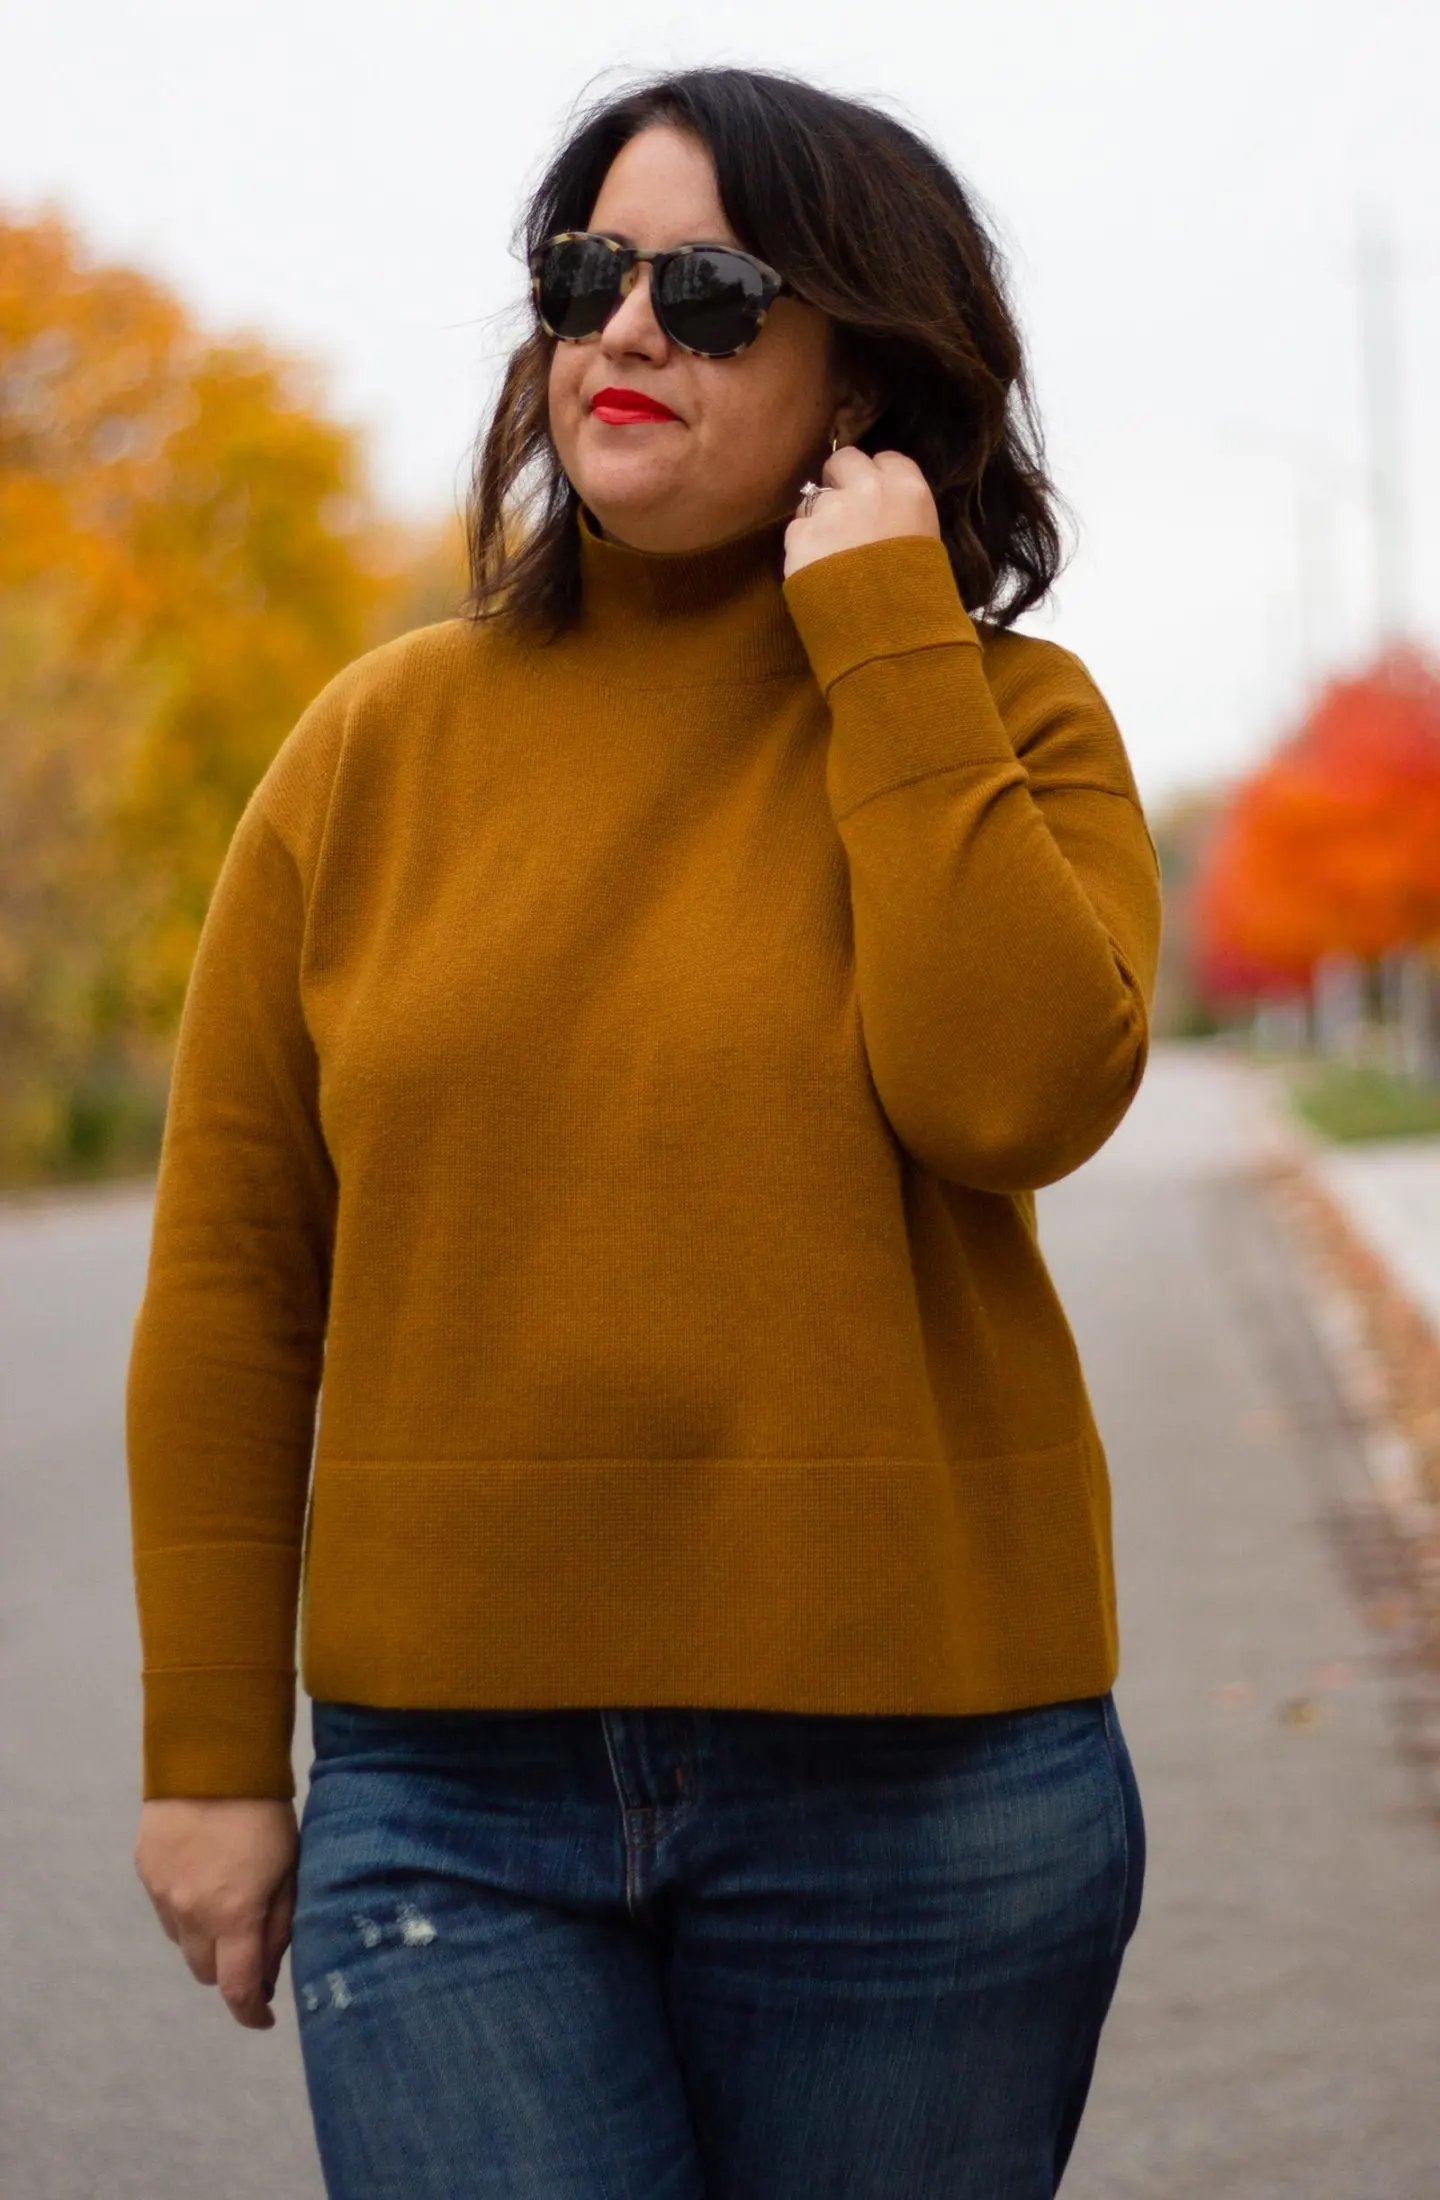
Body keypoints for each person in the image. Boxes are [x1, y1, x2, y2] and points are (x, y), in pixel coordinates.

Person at [128, 62, 1162, 2200]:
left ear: (865, 352)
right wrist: (212, 1753)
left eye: (706, 285)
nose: (622, 326)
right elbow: (238, 1274)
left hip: (931, 1792)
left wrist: (885, 637)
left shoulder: (1009, 726)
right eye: (586, 272)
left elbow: (1011, 1095)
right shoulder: (369, 752)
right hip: (447, 1800)